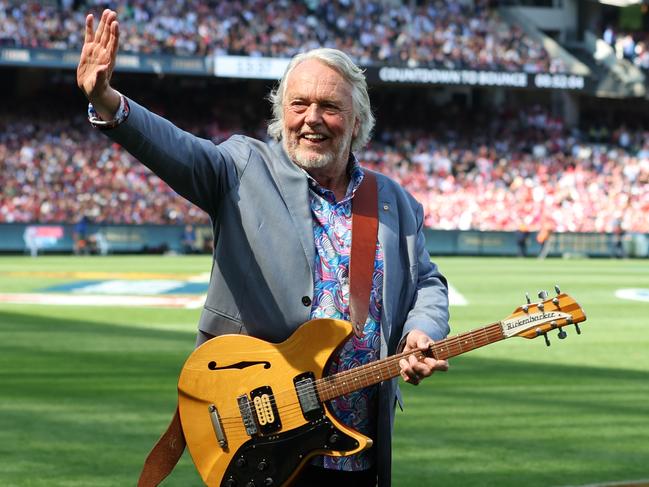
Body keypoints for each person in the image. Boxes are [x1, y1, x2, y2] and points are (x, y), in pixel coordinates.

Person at [77, 9, 450, 487]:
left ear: (357, 121)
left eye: (329, 107)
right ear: (281, 114)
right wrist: (108, 101)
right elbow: (177, 149)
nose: (312, 118)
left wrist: (421, 330)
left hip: (357, 452)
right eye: (299, 104)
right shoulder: (241, 168)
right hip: (263, 440)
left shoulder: (395, 201)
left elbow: (426, 282)